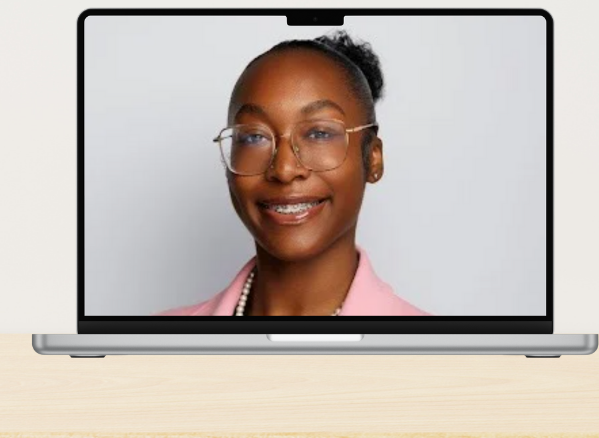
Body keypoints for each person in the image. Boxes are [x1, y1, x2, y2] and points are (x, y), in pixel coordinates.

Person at [159, 31, 428, 316]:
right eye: (253, 137)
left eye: (319, 133)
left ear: (373, 157)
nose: (285, 170)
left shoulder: (436, 357)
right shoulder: (155, 350)